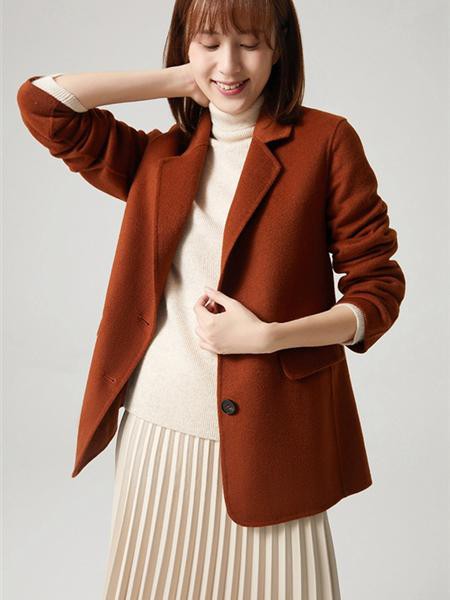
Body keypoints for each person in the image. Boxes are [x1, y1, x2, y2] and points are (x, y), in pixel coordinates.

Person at [17, 0, 406, 598]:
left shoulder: (325, 142)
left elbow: (378, 287)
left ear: (278, 49)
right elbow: (43, 104)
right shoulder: (159, 157)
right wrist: (176, 80)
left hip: (274, 433)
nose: (230, 64)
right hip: (158, 427)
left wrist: (270, 336)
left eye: (249, 43)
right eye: (209, 43)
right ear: (184, 47)